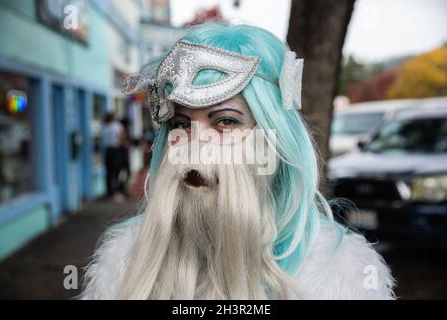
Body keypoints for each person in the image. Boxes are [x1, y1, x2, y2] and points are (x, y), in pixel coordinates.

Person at [81, 23, 394, 300]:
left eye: (226, 122)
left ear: (274, 139)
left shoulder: (339, 272)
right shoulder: (122, 261)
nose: (196, 144)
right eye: (181, 124)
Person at [101, 113, 124, 200]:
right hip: (116, 150)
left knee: (109, 171)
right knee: (116, 170)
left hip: (107, 150)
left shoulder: (104, 127)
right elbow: (121, 137)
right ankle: (116, 191)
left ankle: (110, 191)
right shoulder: (117, 126)